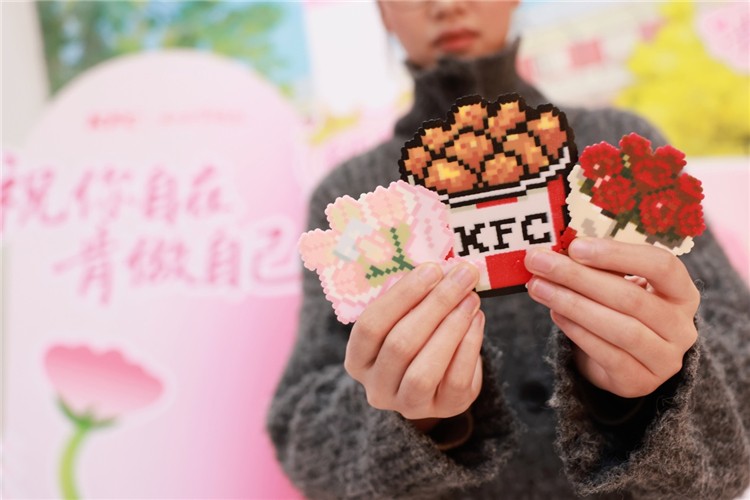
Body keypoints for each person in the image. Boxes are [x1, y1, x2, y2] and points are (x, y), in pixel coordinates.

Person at [267, 2, 750, 498]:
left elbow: (740, 347)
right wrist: (412, 416)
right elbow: (301, 425)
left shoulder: (619, 148)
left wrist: (660, 383)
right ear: (384, 12)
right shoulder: (351, 200)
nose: (448, 5)